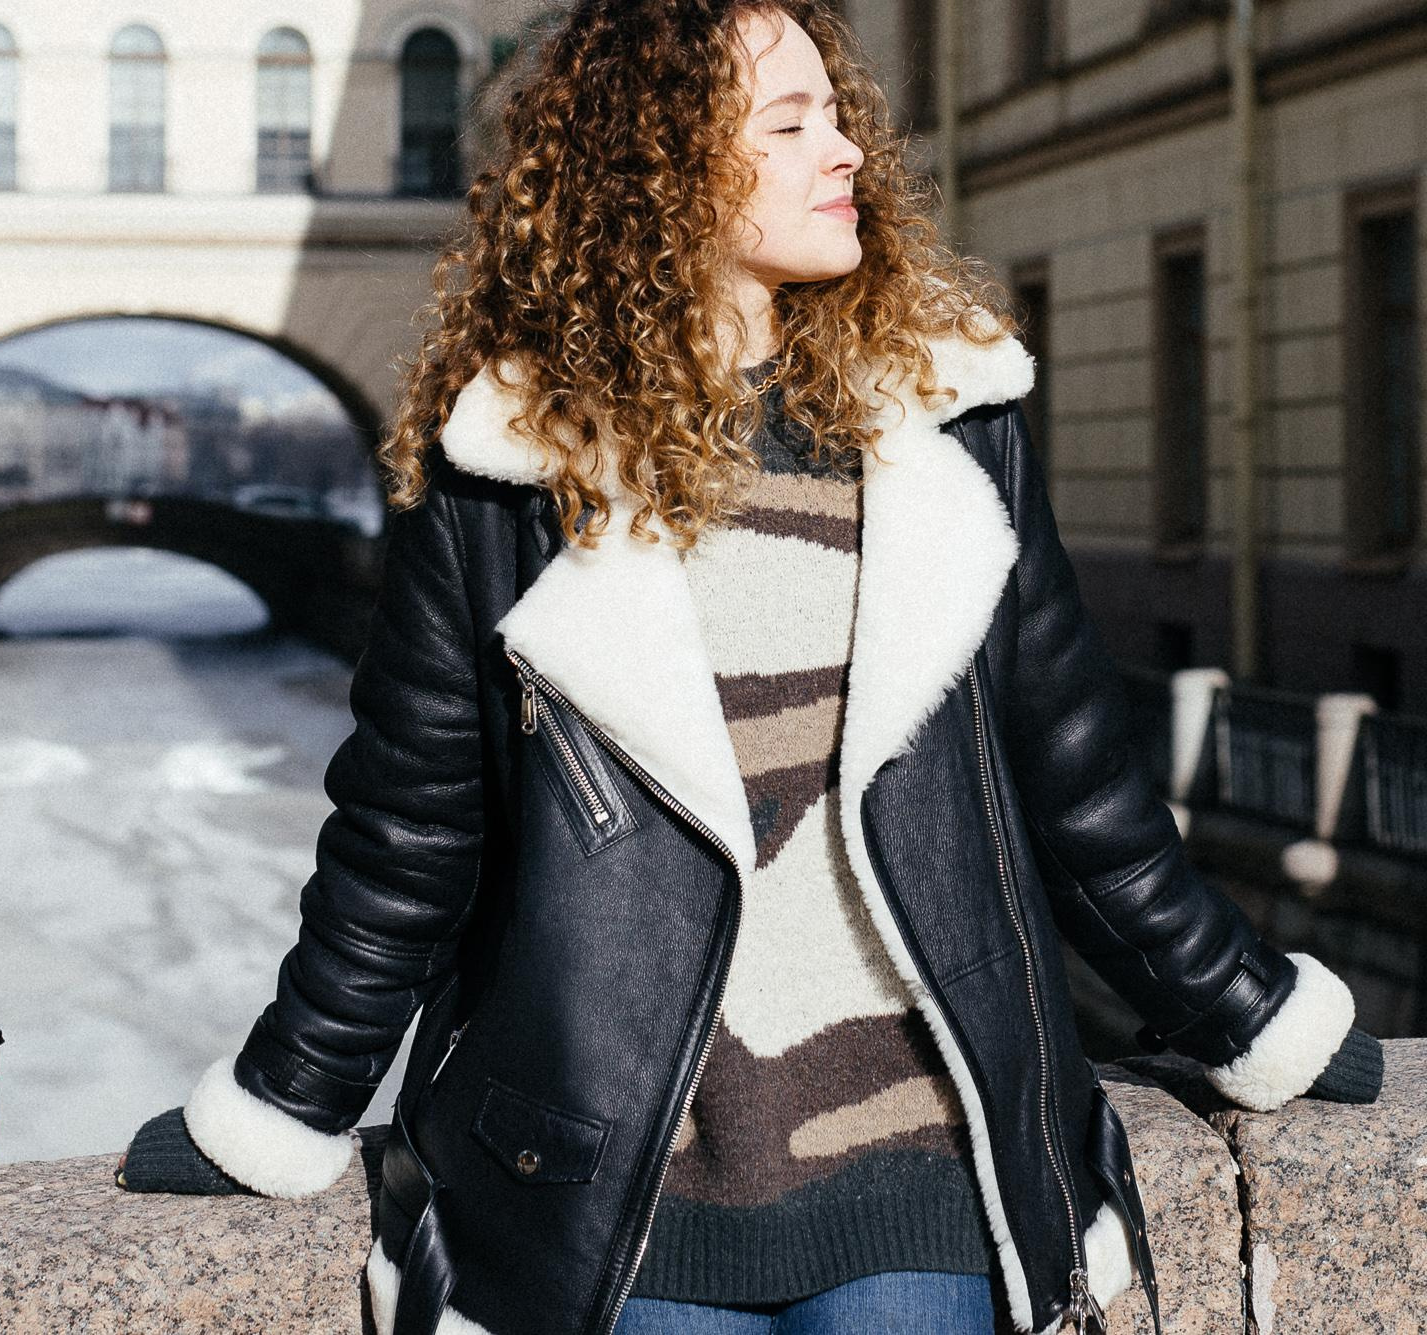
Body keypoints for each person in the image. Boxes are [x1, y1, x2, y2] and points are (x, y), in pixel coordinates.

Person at [116, 2, 1383, 1333]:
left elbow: (1080, 788)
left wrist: (1250, 1015)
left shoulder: (947, 425)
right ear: (655, 169)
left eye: (839, 114)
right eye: (791, 126)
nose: (846, 151)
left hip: (923, 1161)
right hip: (619, 1185)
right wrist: (284, 1103)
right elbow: (411, 835)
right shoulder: (505, 475)